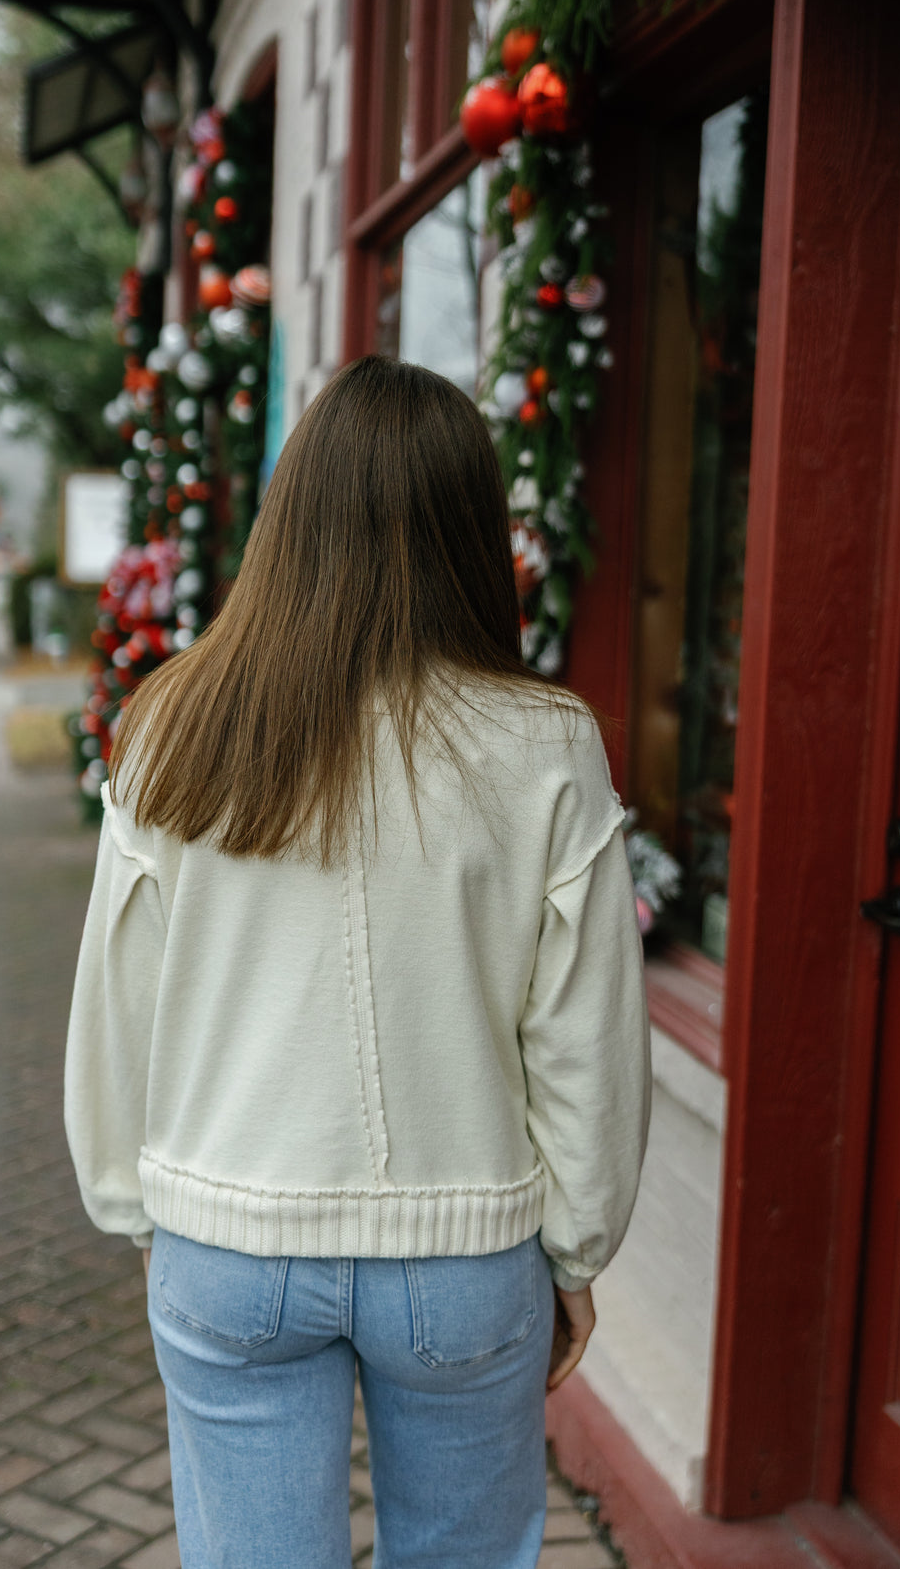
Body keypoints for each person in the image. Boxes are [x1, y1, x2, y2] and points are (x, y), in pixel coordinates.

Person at [64, 354, 651, 1569]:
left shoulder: (176, 722)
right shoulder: (547, 747)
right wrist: (577, 1250)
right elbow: (584, 1035)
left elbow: (118, 1002)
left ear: (290, 520)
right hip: (465, 1254)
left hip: (230, 1236)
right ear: (471, 534)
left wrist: (140, 1209)